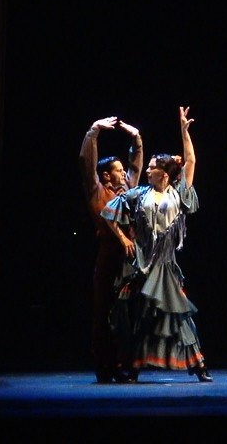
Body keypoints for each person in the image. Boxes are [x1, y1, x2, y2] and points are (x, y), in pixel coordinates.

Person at [102, 106, 209, 381]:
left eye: (151, 166)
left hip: (168, 264)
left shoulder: (178, 193)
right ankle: (135, 367)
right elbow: (110, 213)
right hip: (145, 264)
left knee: (179, 315)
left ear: (163, 173)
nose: (147, 169)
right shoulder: (139, 194)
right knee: (145, 317)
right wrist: (123, 237)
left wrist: (184, 132)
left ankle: (199, 366)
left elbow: (191, 162)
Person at [81, 115, 143, 384]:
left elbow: (137, 165)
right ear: (107, 174)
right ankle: (105, 366)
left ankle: (127, 364)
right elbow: (87, 163)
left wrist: (137, 139)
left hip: (130, 259)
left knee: (128, 315)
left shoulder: (128, 189)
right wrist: (94, 132)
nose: (123, 173)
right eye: (118, 170)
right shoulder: (97, 189)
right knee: (105, 313)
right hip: (108, 256)